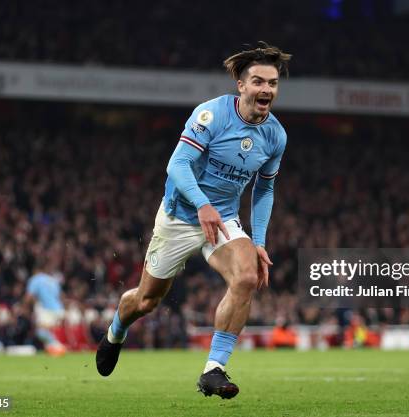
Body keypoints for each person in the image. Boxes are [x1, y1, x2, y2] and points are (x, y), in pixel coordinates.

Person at [96, 41, 291, 399]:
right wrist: (202, 204)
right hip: (180, 215)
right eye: (259, 81)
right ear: (242, 85)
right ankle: (116, 331)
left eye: (273, 83)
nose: (266, 89)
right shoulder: (211, 115)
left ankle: (213, 369)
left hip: (223, 220)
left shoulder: (275, 135)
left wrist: (259, 242)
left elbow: (264, 191)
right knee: (146, 301)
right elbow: (177, 165)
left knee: (246, 275)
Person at [25, 261, 67, 356]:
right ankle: (52, 350)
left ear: (35, 271)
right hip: (60, 310)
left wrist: (23, 308)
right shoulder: (52, 280)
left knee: (40, 331)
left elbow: (28, 297)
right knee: (46, 331)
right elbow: (61, 296)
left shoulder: (35, 279)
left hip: (48, 311)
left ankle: (58, 347)